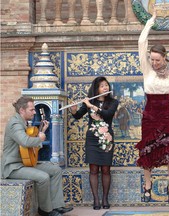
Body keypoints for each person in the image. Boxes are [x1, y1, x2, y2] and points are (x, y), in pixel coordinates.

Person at [135, 9, 169, 207]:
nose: (155, 63)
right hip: (150, 115)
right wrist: (151, 21)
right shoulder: (146, 68)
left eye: (158, 60)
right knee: (147, 151)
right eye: (153, 59)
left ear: (165, 58)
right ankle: (147, 185)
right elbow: (142, 43)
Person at [1, 96, 73, 216]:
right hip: (13, 167)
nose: (34, 112)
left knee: (55, 170)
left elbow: (28, 148)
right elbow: (25, 142)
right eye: (32, 109)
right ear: (22, 110)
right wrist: (39, 138)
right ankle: (45, 210)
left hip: (25, 164)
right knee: (43, 177)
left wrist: (42, 132)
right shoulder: (15, 123)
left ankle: (56, 206)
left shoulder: (23, 122)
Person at [70, 76, 119, 210]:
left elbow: (108, 114)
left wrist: (91, 106)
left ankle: (105, 199)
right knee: (93, 170)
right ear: (96, 89)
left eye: (106, 85)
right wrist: (73, 110)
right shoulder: (89, 102)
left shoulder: (113, 102)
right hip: (92, 139)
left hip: (106, 137)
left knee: (105, 169)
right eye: (102, 86)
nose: (105, 88)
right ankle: (96, 200)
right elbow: (78, 115)